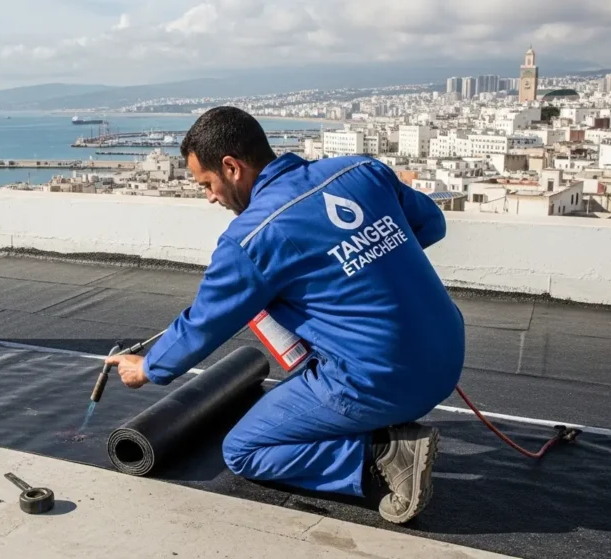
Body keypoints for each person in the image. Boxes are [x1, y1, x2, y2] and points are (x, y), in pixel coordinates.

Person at [105, 106, 465, 524]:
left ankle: (383, 455)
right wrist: (363, 264)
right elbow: (432, 225)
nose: (210, 197)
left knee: (245, 450)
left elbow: (204, 322)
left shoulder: (252, 237)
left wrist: (147, 368)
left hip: (384, 379)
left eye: (208, 184)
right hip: (449, 354)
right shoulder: (361, 171)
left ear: (231, 167)